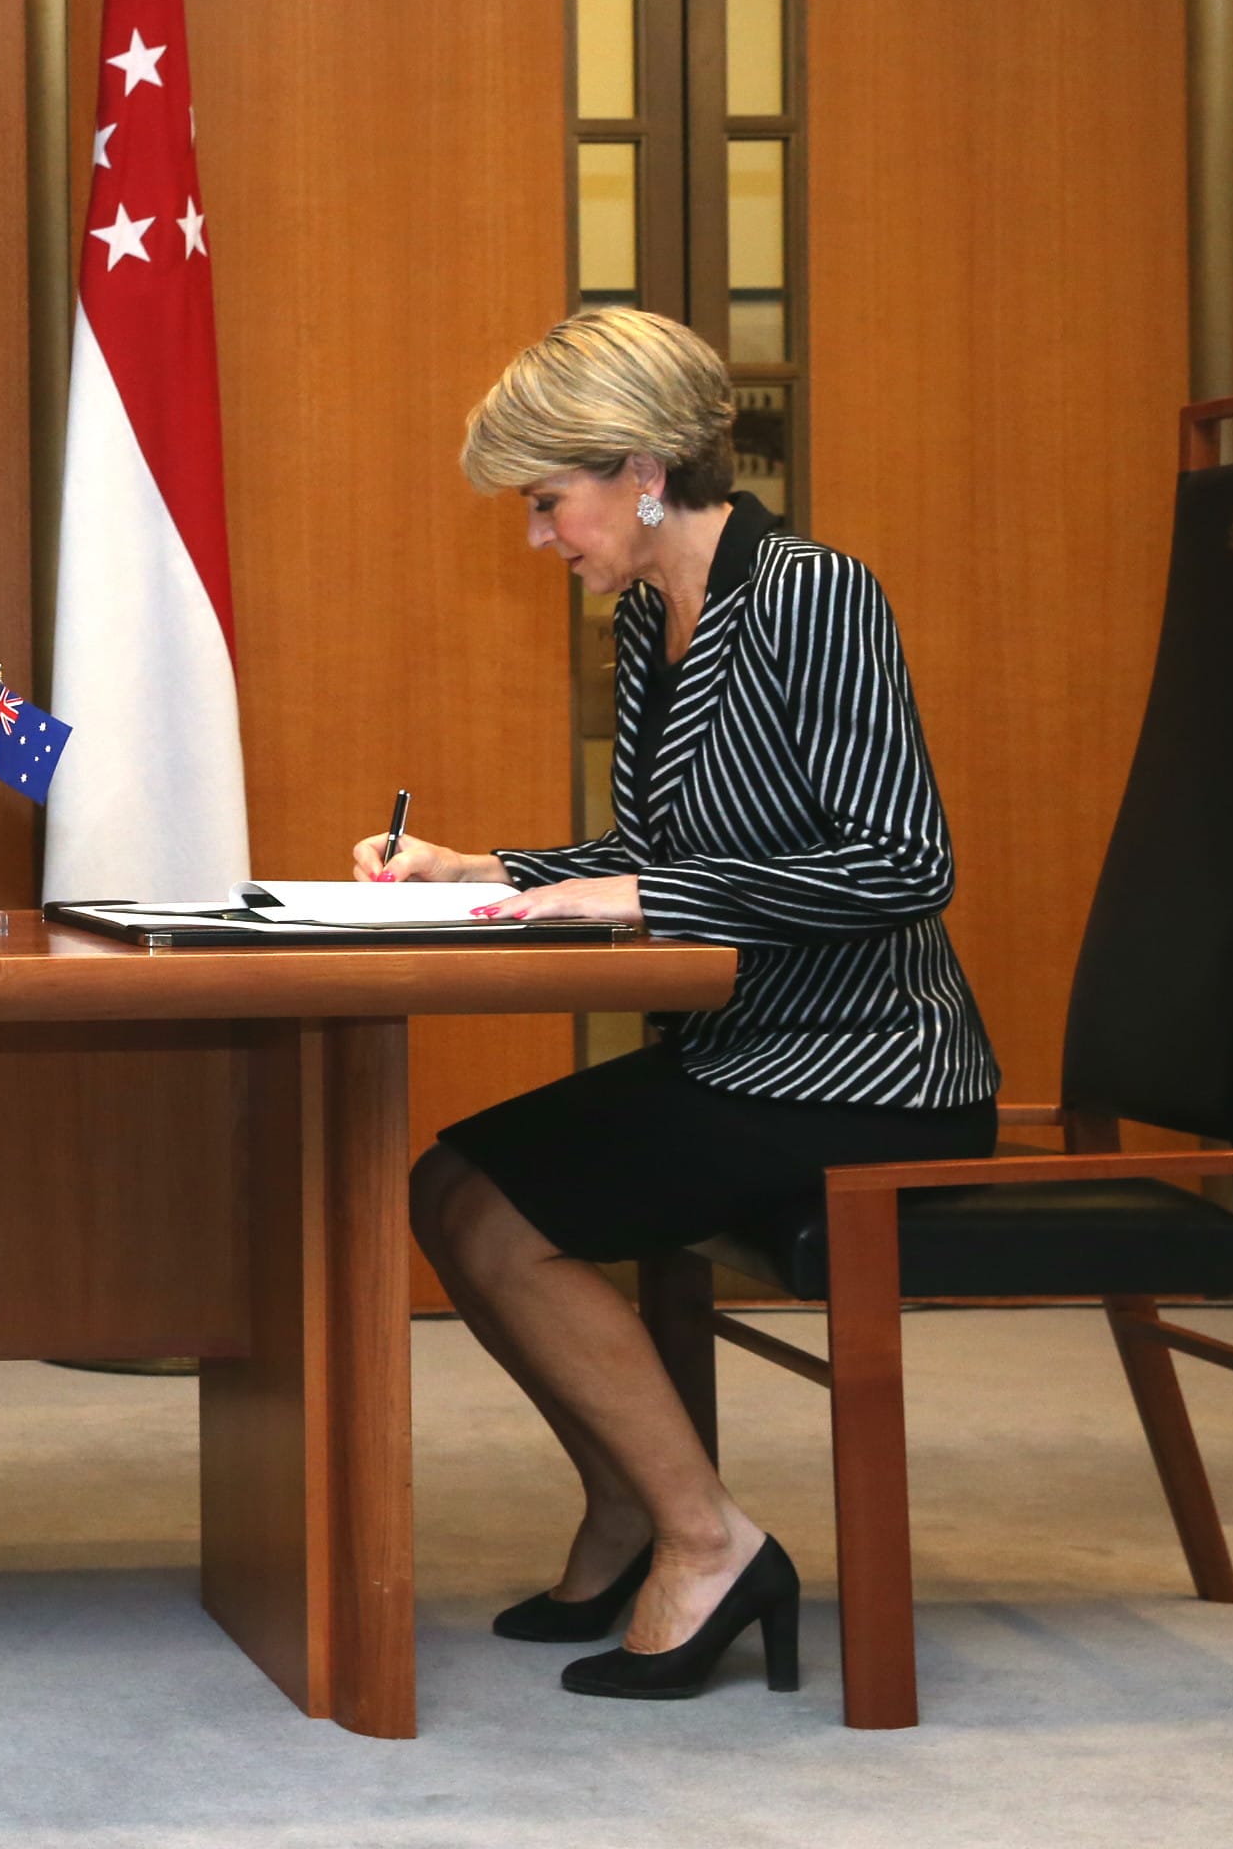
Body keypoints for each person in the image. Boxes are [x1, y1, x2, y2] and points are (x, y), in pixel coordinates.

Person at [364, 305, 999, 1701]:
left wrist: (647, 899)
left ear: (642, 469)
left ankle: (709, 1542)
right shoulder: (660, 613)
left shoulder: (811, 592)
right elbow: (660, 854)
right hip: (752, 1045)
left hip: (869, 1064)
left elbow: (902, 863)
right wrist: (488, 867)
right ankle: (635, 1507)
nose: (541, 540)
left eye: (549, 504)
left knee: (497, 1214)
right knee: (450, 1190)